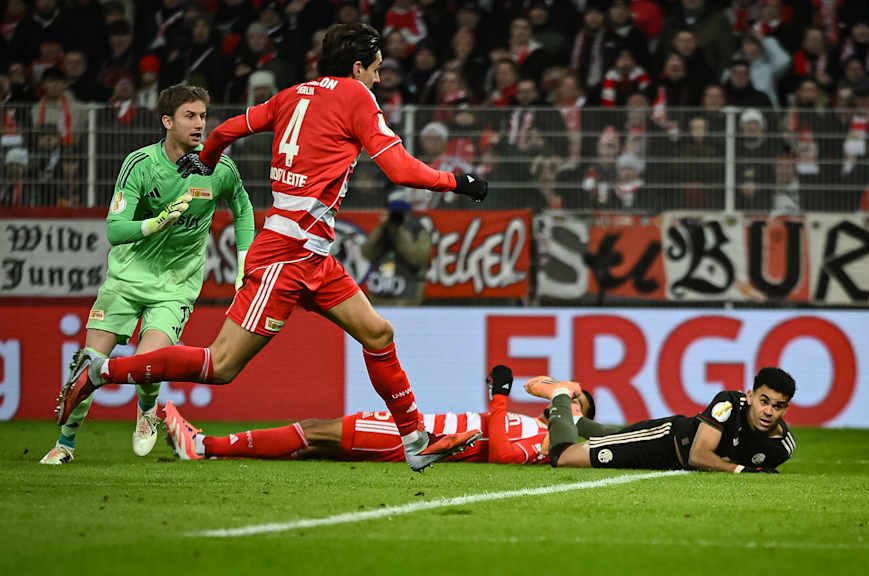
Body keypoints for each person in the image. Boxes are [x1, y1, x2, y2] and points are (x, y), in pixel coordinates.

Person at [56, 23, 489, 473]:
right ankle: (99, 372)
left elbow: (227, 129)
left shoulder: (293, 94)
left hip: (312, 256)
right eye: (376, 70)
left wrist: (203, 160)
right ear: (358, 67)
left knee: (378, 334)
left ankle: (415, 440)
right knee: (220, 365)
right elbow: (399, 169)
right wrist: (457, 181)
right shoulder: (357, 96)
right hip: (286, 254)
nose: (378, 80)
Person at [41, 85, 256, 465]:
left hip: (175, 287)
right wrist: (155, 223)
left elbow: (243, 209)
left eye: (203, 116)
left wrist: (244, 265)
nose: (200, 124)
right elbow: (115, 229)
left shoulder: (219, 167)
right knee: (87, 362)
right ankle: (65, 444)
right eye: (190, 116)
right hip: (126, 281)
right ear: (167, 121)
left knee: (146, 364)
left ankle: (146, 409)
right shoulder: (141, 164)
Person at [163, 365, 595, 464]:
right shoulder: (538, 423)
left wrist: (499, 398)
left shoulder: (546, 440)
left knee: (314, 431)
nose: (570, 401)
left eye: (579, 404)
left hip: (417, 436)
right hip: (421, 432)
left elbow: (500, 452)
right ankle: (209, 446)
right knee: (312, 444)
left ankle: (203, 447)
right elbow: (535, 389)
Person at [543, 367, 797, 473]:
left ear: (786, 408)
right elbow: (698, 456)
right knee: (563, 457)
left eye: (778, 406)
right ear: (751, 396)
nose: (769, 412)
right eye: (764, 401)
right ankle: (561, 395)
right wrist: (740, 470)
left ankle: (576, 419)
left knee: (610, 436)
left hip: (673, 464)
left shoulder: (782, 447)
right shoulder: (729, 403)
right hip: (663, 442)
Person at [360, 192, 433, 305]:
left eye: (400, 214)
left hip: (408, 293)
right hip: (380, 291)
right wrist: (381, 227)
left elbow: (418, 258)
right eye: (393, 214)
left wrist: (401, 232)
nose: (396, 218)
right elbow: (367, 253)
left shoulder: (417, 231)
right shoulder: (383, 230)